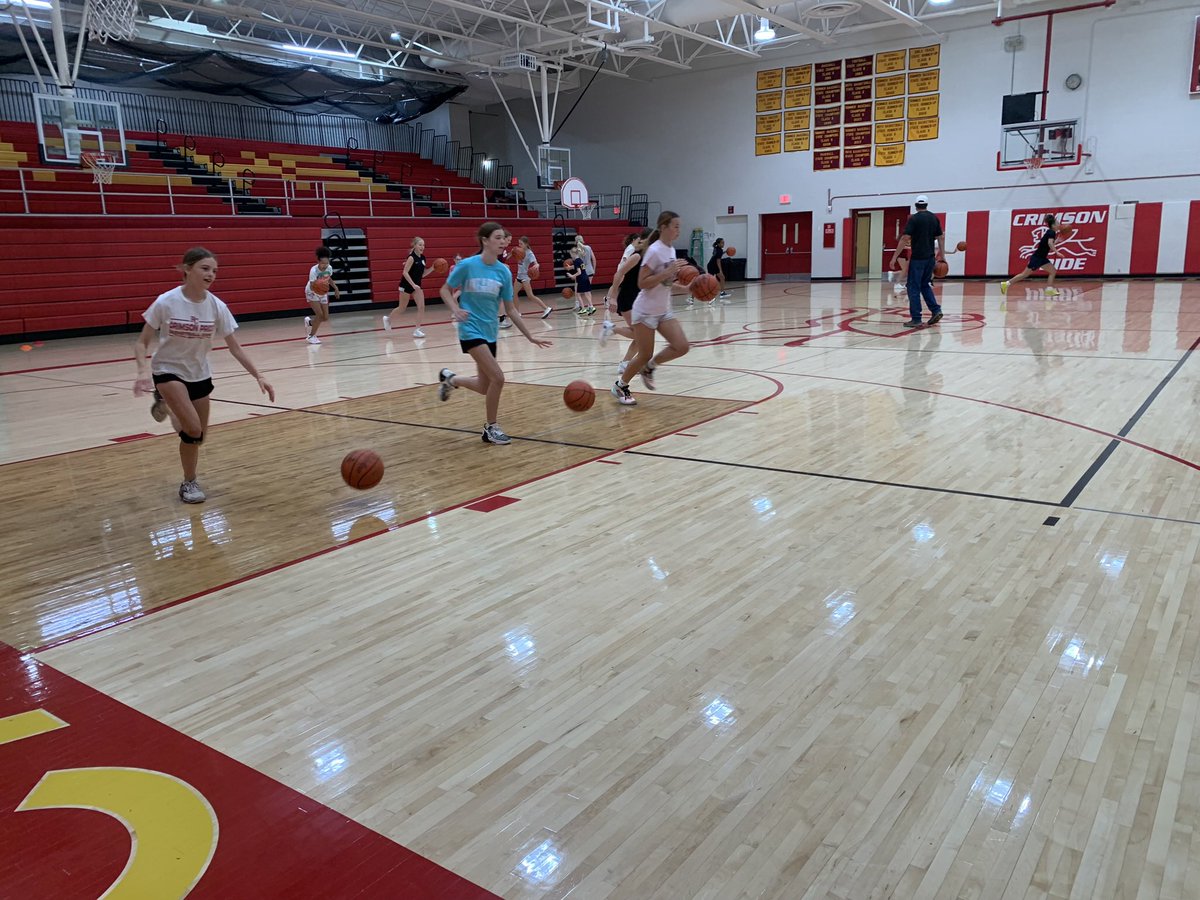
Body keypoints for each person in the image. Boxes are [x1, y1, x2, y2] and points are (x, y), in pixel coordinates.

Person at [134, 247, 275, 504]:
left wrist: (259, 375)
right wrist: (143, 371)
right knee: (193, 429)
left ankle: (169, 409)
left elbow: (235, 347)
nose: (211, 274)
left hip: (199, 373)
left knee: (197, 437)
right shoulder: (166, 301)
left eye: (214, 270)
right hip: (167, 370)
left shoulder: (217, 306)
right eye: (205, 268)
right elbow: (142, 342)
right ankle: (189, 483)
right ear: (187, 269)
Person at [437, 222, 553, 445]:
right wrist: (455, 309)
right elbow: (444, 289)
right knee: (498, 378)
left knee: (484, 386)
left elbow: (510, 309)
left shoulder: (503, 271)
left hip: (491, 331)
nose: (503, 242)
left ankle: (451, 380)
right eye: (498, 237)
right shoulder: (468, 265)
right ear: (485, 240)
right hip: (470, 329)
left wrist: (530, 336)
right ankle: (491, 428)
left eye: (503, 238)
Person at [611, 210, 688, 406]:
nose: (679, 230)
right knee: (644, 353)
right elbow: (642, 283)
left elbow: (666, 282)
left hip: (663, 309)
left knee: (682, 346)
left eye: (679, 226)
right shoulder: (653, 251)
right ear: (663, 227)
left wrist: (687, 288)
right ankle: (621, 385)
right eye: (675, 226)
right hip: (645, 310)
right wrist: (668, 272)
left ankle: (649, 368)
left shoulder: (670, 250)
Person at [599, 228, 653, 380]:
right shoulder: (635, 256)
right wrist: (613, 297)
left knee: (640, 336)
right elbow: (619, 273)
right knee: (640, 335)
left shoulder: (649, 257)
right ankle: (612, 328)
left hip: (638, 298)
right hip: (628, 298)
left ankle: (625, 363)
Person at [900, 194, 945, 328]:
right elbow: (941, 237)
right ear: (926, 204)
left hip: (918, 259)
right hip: (930, 259)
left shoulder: (914, 219)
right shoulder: (933, 218)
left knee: (913, 287)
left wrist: (894, 256)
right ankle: (936, 310)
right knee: (925, 285)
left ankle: (916, 318)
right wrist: (942, 256)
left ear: (916, 205)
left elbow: (904, 238)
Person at [1001, 214, 1066, 297]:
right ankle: (1006, 284)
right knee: (1024, 274)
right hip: (1037, 258)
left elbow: (1048, 243)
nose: (1059, 224)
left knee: (1053, 271)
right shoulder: (1051, 232)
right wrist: (1057, 252)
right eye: (1058, 223)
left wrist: (1057, 241)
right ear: (1053, 225)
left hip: (1042, 258)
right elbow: (1050, 243)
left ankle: (1049, 290)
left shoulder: (1051, 232)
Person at [383, 236, 426, 338]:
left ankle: (417, 329)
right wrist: (413, 285)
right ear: (414, 246)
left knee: (421, 307)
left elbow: (422, 274)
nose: (422, 247)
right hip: (406, 285)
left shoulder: (423, 258)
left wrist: (433, 268)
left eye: (423, 245)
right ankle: (388, 319)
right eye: (420, 244)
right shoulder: (411, 257)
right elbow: (405, 273)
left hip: (416, 287)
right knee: (402, 308)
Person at [303, 246, 339, 345]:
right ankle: (311, 336)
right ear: (318, 262)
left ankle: (309, 323)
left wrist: (335, 288)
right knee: (319, 315)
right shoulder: (313, 271)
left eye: (327, 263)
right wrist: (319, 287)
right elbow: (312, 284)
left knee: (325, 317)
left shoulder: (329, 268)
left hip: (322, 292)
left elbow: (329, 278)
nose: (325, 265)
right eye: (323, 263)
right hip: (312, 291)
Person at [514, 235, 553, 318]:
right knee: (513, 294)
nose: (519, 245)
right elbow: (509, 255)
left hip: (525, 277)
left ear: (526, 244)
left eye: (521, 244)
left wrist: (537, 266)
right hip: (519, 276)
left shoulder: (529, 253)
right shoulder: (518, 250)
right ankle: (517, 313)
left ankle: (546, 308)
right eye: (519, 243)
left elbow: (536, 263)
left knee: (530, 296)